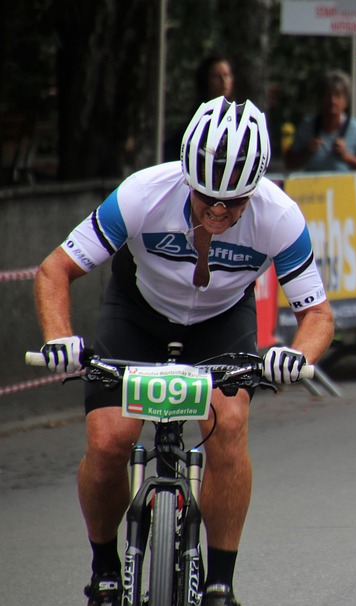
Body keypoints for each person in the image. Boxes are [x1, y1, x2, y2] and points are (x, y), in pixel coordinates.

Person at [34, 96, 334, 606]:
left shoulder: (280, 217)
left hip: (221, 321)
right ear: (187, 181)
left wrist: (297, 357)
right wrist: (60, 338)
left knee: (229, 425)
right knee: (109, 441)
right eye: (206, 200)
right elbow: (54, 270)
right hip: (138, 313)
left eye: (234, 203)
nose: (219, 211)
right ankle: (105, 570)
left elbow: (317, 316)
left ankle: (220, 584)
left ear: (256, 188)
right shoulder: (142, 194)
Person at [284, 69, 356, 172]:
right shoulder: (307, 126)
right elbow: (288, 162)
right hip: (313, 187)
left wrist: (347, 157)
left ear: (346, 101)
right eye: (328, 96)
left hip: (347, 187)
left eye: (338, 96)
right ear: (320, 98)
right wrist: (307, 151)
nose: (332, 101)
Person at [163, 55, 236, 161]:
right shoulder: (196, 121)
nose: (223, 81)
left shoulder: (238, 118)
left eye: (227, 75)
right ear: (206, 80)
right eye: (216, 76)